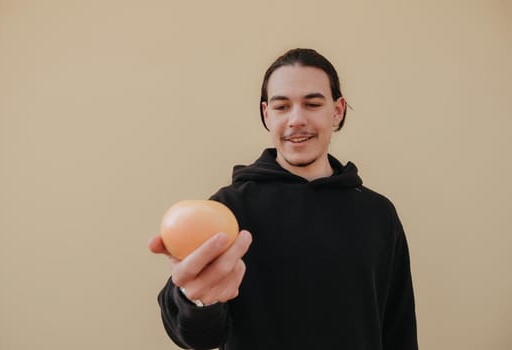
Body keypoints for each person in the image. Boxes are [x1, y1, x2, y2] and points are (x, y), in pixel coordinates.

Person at [149, 48, 418, 349]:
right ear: (267, 114)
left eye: (312, 103)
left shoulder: (377, 213)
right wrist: (194, 300)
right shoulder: (229, 208)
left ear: (337, 111)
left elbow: (399, 327)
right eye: (282, 107)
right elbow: (197, 335)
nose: (296, 119)